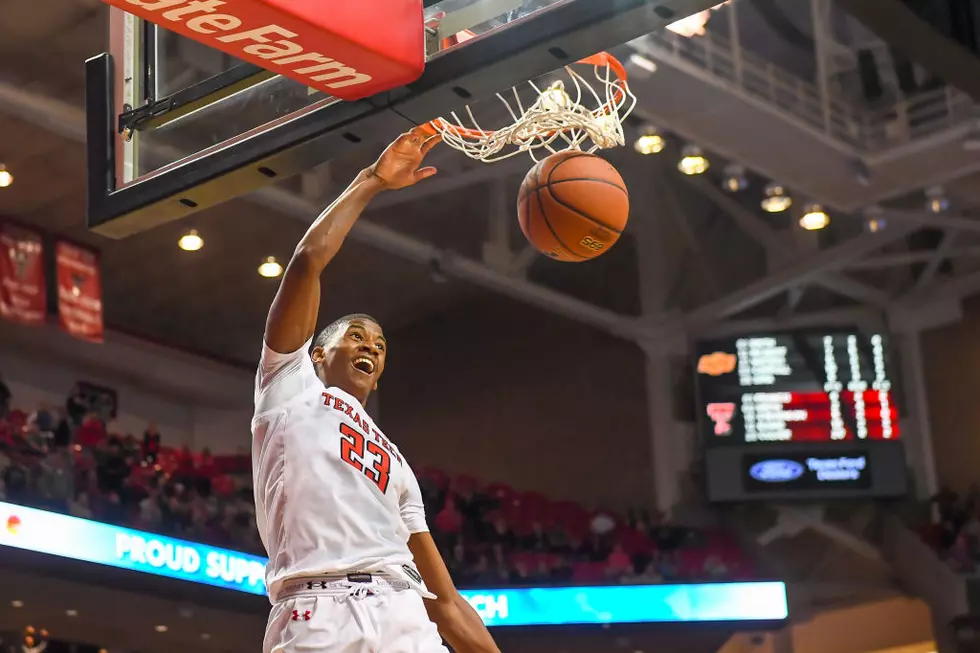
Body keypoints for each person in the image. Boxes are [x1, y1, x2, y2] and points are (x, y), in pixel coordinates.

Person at [253, 127, 502, 653]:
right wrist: (371, 181)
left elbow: (446, 600)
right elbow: (306, 262)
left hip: (402, 614)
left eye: (381, 344)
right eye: (357, 337)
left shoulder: (396, 463)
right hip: (315, 612)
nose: (371, 347)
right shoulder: (288, 387)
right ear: (320, 353)